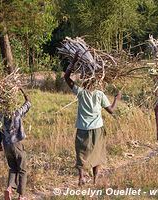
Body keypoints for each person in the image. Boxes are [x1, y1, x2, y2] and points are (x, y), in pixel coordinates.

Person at [64, 53, 121, 186]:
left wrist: (73, 62)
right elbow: (111, 110)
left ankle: (81, 178)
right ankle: (95, 180)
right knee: (97, 154)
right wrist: (116, 99)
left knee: (81, 153)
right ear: (96, 81)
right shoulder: (99, 94)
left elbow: (66, 77)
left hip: (83, 129)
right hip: (97, 129)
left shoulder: (80, 92)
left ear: (85, 81)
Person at [0, 88, 31, 200]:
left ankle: (9, 188)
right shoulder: (17, 112)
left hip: (6, 145)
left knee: (12, 168)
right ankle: (21, 195)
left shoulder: (0, 114)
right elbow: (28, 103)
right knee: (22, 169)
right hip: (16, 143)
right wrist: (23, 91)